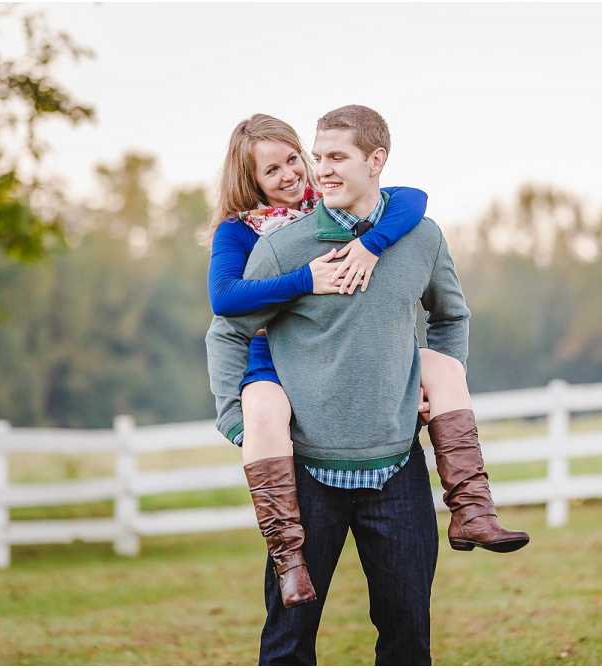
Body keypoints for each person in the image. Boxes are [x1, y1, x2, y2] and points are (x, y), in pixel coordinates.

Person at [206, 106, 525, 664]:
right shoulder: (280, 246)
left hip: (397, 472)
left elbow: (450, 316)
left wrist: (437, 381)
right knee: (288, 645)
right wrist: (236, 415)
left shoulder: (419, 236)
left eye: (333, 158)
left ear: (376, 161)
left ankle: (473, 507)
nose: (318, 171)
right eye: (319, 157)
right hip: (306, 475)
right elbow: (225, 326)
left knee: (407, 638)